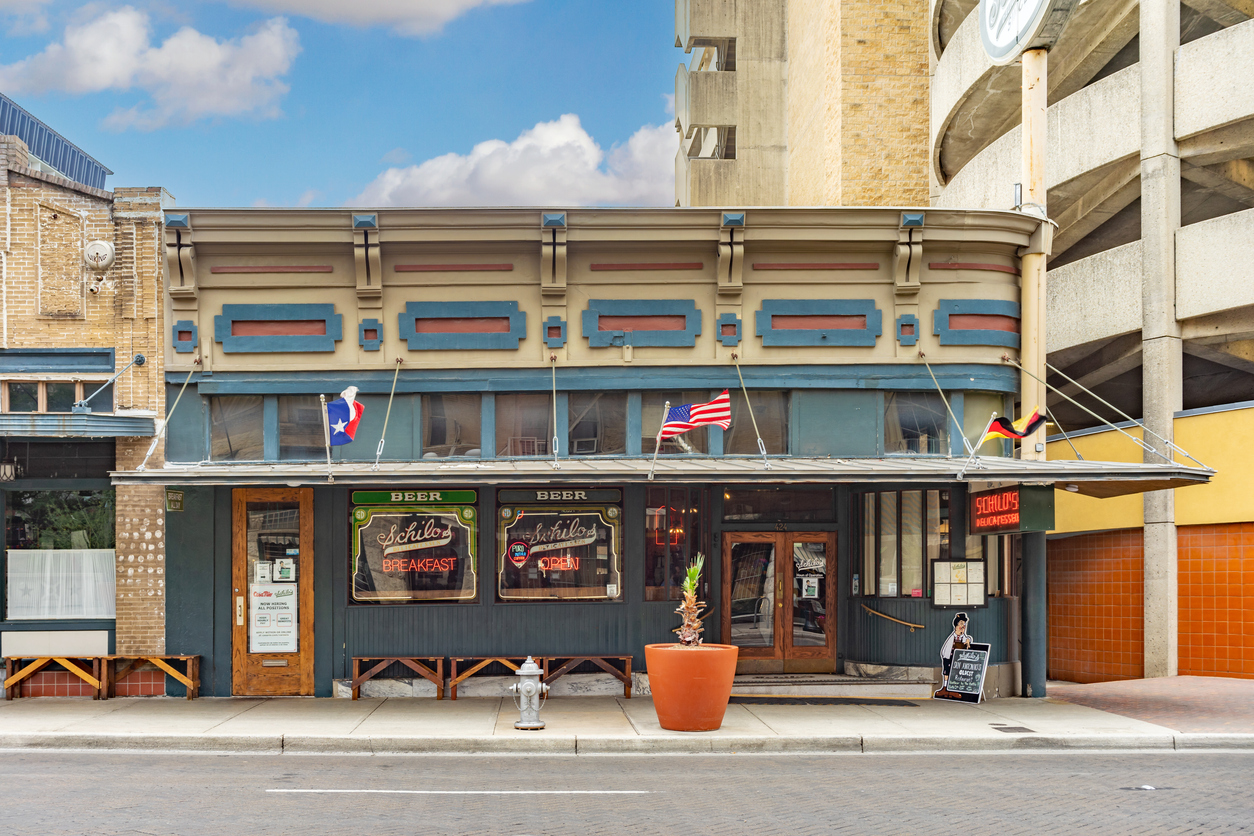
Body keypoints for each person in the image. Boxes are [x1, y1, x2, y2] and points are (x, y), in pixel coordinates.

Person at [937, 611, 972, 694]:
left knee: (957, 672)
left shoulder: (964, 638)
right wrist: (945, 656)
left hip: (958, 659)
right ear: (956, 625)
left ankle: (955, 687)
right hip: (949, 657)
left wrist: (968, 641)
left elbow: (967, 641)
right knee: (947, 671)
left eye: (964, 624)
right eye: (961, 623)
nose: (962, 626)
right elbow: (945, 649)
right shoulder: (952, 637)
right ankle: (945, 687)